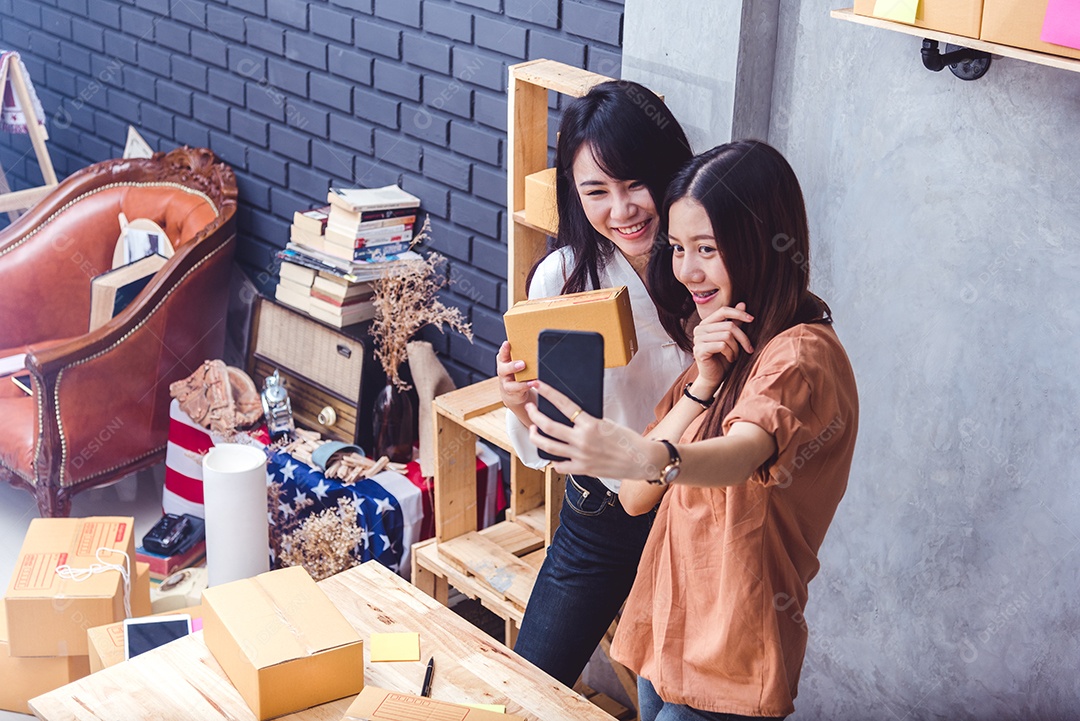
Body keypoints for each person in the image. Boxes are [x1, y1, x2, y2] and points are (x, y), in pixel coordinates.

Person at [524, 140, 859, 720]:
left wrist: (644, 453)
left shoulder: (800, 356)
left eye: (707, 248)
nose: (686, 271)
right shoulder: (717, 353)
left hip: (729, 657)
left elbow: (743, 451)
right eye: (678, 249)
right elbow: (633, 499)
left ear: (760, 244)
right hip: (668, 640)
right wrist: (702, 383)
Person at [495, 80, 694, 687]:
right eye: (596, 191)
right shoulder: (562, 278)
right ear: (573, 195)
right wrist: (520, 406)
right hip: (602, 513)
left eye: (637, 183)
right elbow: (551, 442)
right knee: (535, 683)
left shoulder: (708, 258)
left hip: (693, 506)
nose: (622, 209)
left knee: (668, 696)